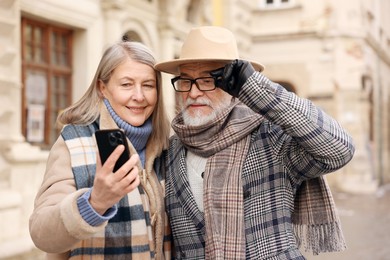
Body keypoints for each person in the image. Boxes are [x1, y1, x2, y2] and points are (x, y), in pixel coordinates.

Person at [154, 26, 355, 259]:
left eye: (208, 80)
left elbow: (339, 149)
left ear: (234, 86)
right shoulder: (171, 151)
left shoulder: (271, 137)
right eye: (186, 80)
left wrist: (258, 89)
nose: (194, 92)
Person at [29, 40, 172, 259]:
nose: (139, 96)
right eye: (126, 84)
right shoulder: (73, 143)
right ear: (102, 88)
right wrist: (95, 203)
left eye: (148, 85)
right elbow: (41, 233)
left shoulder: (166, 148)